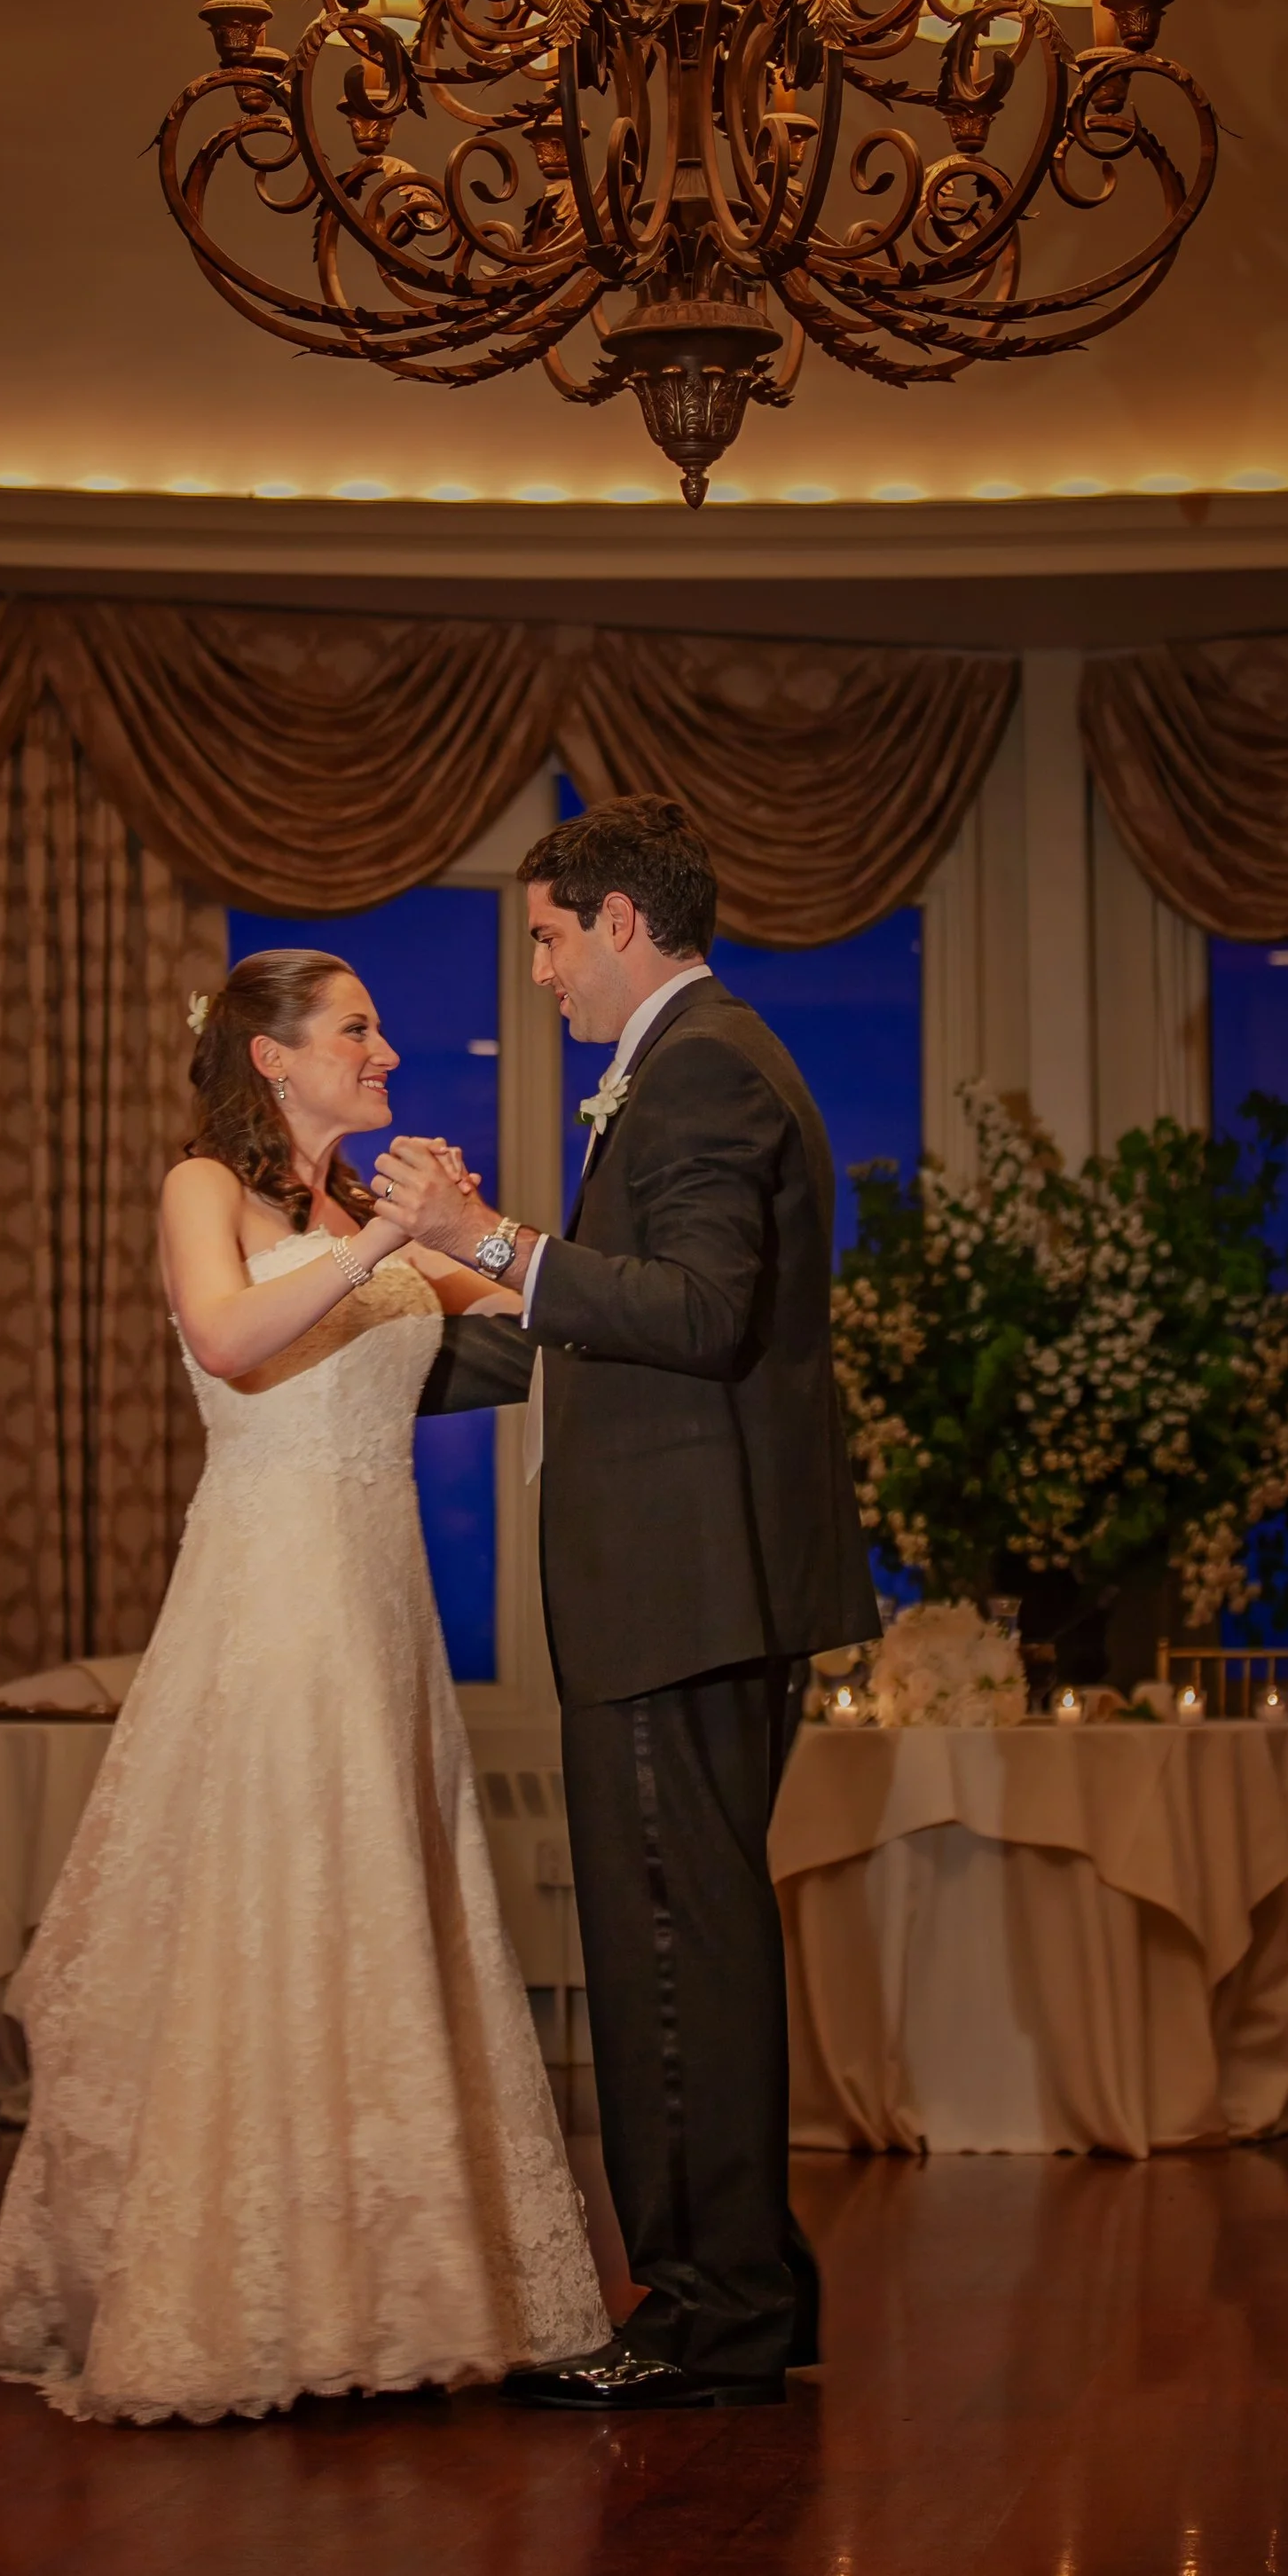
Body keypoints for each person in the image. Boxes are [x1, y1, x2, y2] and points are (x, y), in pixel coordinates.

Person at [0, 950, 609, 2426]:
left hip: (379, 1610)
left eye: (379, 1024)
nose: (385, 1049)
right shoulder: (207, 1185)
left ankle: (390, 2288)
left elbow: (531, 1314)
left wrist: (462, 1225)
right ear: (270, 1056)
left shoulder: (359, 1213)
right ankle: (248, 2288)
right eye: (358, 1027)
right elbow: (225, 1336)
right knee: (267, 1913)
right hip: (265, 1598)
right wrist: (377, 1235)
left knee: (380, 1914)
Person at [373, 793, 871, 2412]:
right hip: (687, 1587)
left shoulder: (704, 1063)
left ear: (618, 923)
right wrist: (363, 1355)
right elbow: (599, 1325)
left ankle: (703, 2311)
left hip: (683, 1590)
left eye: (542, 934)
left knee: (670, 1951)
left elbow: (705, 1311)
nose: (534, 971)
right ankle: (746, 2288)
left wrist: (490, 1234)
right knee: (688, 1940)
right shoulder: (687, 1062)